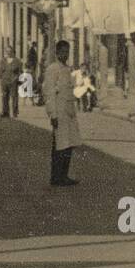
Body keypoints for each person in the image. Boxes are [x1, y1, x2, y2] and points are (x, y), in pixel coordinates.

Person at [43, 41, 80, 186]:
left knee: (69, 144)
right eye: (63, 52)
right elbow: (49, 93)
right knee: (60, 145)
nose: (65, 54)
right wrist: (53, 114)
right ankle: (56, 176)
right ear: (57, 53)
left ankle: (64, 175)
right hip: (59, 112)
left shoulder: (67, 69)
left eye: (67, 52)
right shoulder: (53, 69)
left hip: (69, 112)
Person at [0, 44, 22, 118]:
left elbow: (20, 72)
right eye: (7, 51)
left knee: (14, 97)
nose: (8, 53)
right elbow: (1, 71)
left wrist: (17, 79)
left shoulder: (17, 61)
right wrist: (1, 78)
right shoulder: (3, 60)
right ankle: (5, 112)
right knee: (4, 97)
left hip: (13, 81)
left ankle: (15, 112)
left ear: (12, 52)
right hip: (5, 81)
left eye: (10, 51)